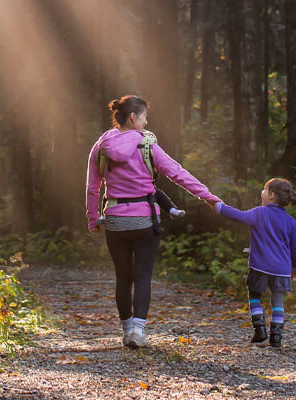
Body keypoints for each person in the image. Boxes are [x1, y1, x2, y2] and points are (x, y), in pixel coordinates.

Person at [86, 94, 220, 348]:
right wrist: (208, 197)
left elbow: (93, 187)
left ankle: (127, 331)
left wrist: (93, 218)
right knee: (143, 276)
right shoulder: (147, 145)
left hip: (115, 220)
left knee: (123, 277)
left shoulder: (101, 145)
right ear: (134, 117)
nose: (147, 123)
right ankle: (138, 331)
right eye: (145, 117)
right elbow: (177, 173)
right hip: (145, 220)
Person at [211, 178, 296, 347]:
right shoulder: (290, 221)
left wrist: (217, 206)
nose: (262, 192)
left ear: (271, 196)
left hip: (260, 266)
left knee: (254, 295)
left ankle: (259, 329)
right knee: (278, 301)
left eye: (264, 189)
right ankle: (276, 337)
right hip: (281, 269)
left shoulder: (259, 213)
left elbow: (237, 215)